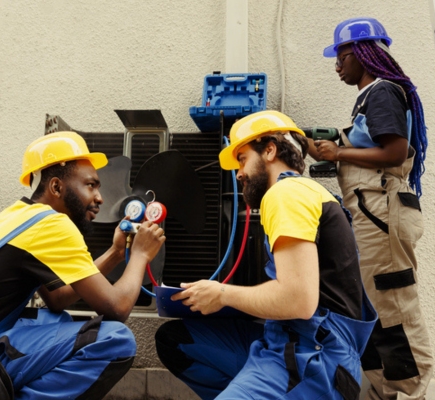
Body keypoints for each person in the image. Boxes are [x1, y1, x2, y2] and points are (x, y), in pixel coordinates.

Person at [0, 131, 166, 399]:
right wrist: (141, 255)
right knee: (115, 340)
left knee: (54, 319)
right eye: (90, 185)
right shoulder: (53, 224)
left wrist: (116, 253)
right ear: (56, 187)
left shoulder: (21, 216)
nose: (99, 198)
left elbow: (58, 298)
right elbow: (117, 308)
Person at [155, 110, 377, 399]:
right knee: (176, 340)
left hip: (313, 356)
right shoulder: (310, 193)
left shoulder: (285, 194)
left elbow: (298, 299)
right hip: (287, 339)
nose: (238, 173)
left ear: (270, 150)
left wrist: (221, 295)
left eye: (243, 159)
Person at [311, 17, 433, 400]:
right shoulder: (370, 96)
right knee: (374, 307)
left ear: (363, 53)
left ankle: (412, 393)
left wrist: (339, 151)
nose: (337, 66)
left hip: (383, 211)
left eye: (342, 57)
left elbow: (395, 152)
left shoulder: (382, 91)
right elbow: (374, 148)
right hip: (372, 212)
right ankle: (384, 392)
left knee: (393, 306)